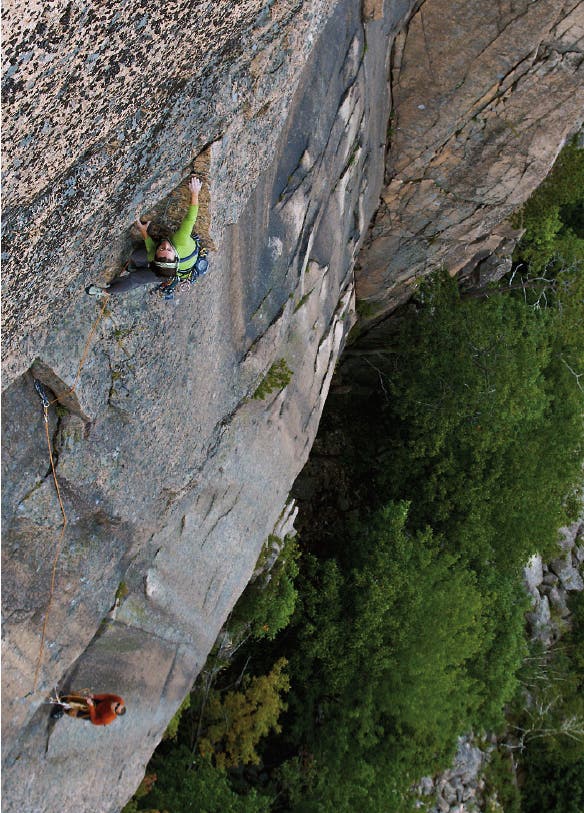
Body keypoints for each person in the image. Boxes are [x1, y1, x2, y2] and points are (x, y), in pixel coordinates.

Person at [86, 175, 204, 297]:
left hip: (169, 273)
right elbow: (190, 219)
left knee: (136, 278)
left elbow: (189, 220)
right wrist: (195, 193)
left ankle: (105, 292)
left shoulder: (171, 249)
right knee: (136, 256)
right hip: (172, 263)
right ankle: (134, 268)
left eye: (164, 249)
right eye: (166, 249)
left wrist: (144, 232)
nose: (165, 245)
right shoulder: (177, 242)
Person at [49, 690, 126, 726]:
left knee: (78, 712)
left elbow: (94, 720)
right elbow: (107, 696)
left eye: (116, 708)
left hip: (94, 714)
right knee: (82, 699)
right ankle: (66, 699)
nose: (115, 705)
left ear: (115, 713)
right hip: (100, 703)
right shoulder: (119, 700)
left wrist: (91, 706)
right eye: (118, 704)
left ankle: (62, 709)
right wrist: (95, 696)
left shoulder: (107, 718)